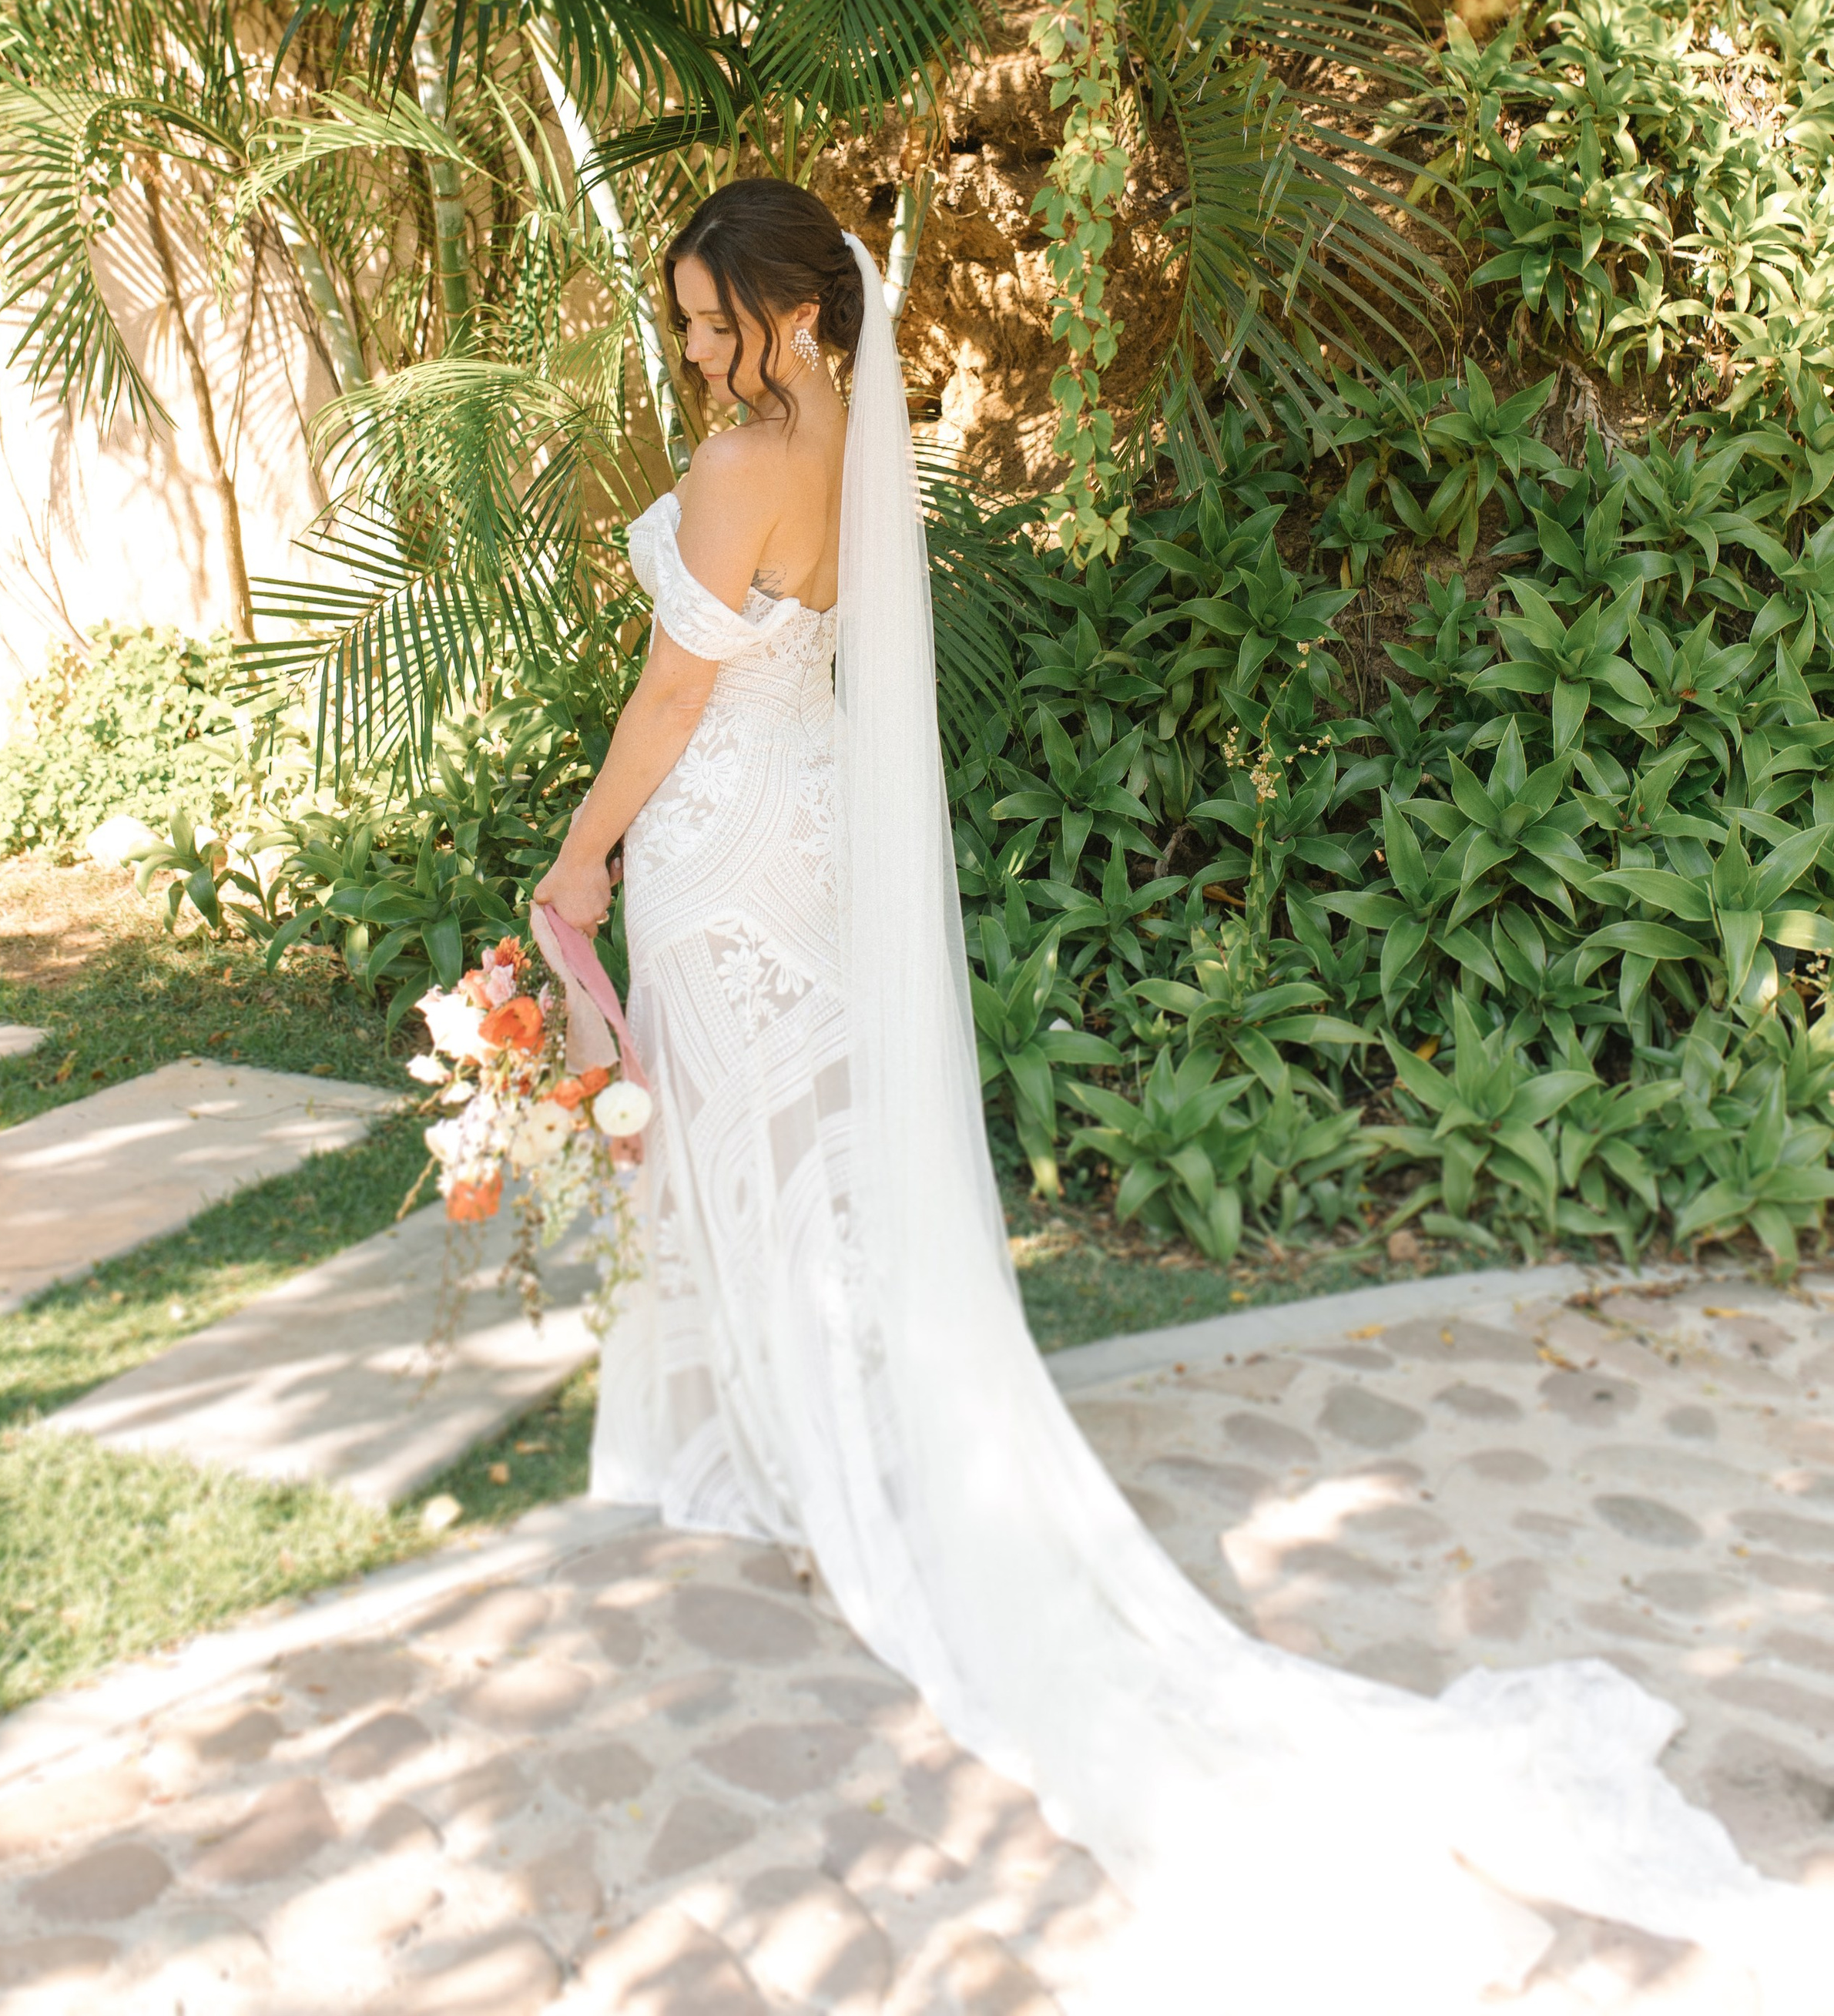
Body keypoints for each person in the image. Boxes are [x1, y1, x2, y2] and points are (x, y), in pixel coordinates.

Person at [534, 177, 1822, 2015]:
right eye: (680, 319)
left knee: (755, 1136)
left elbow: (670, 702)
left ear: (794, 317)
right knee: (814, 1145)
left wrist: (579, 859)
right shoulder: (843, 451)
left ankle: (801, 1453)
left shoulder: (746, 464)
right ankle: (830, 1438)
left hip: (728, 839)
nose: (688, 348)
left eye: (708, 319)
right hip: (806, 828)